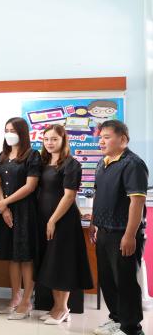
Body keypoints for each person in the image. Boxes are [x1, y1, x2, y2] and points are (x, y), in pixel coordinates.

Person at [90, 120, 148, 335]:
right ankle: (117, 319)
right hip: (104, 232)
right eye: (100, 137)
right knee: (107, 280)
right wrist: (94, 223)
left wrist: (130, 235)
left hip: (123, 233)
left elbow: (137, 201)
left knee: (125, 282)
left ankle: (132, 328)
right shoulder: (102, 162)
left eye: (106, 137)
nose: (101, 141)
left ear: (122, 139)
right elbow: (98, 195)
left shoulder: (133, 164)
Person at [36, 124, 93, 325]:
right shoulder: (43, 162)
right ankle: (56, 307)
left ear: (63, 140)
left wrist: (53, 220)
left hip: (62, 221)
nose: (50, 143)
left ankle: (63, 308)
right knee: (51, 264)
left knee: (62, 264)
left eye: (54, 139)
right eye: (46, 139)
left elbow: (69, 196)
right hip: (45, 219)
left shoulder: (71, 164)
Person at [0, 117, 41, 319]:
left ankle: (26, 301)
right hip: (5, 211)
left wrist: (5, 202)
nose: (9, 134)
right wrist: (3, 206)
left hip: (25, 211)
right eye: (7, 130)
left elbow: (30, 186)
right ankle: (15, 298)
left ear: (22, 132)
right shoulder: (3, 155)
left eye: (13, 130)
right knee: (12, 257)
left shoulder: (32, 155)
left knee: (25, 257)